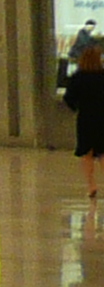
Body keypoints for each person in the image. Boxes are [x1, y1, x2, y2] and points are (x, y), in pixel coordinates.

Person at [62, 42, 104, 197]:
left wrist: (76, 108)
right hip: (102, 118)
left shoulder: (77, 77)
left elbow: (68, 98)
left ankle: (91, 185)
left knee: (87, 153)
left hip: (85, 118)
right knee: (102, 152)